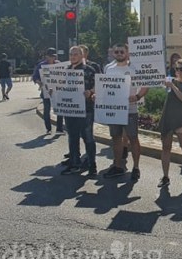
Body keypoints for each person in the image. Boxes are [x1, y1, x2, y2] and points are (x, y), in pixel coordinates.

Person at [102, 43, 148, 181]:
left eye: (122, 51)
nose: (119, 54)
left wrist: (138, 96)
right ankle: (117, 166)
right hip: (114, 110)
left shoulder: (134, 68)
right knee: (116, 138)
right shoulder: (108, 68)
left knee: (133, 139)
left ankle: (136, 167)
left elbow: (145, 86)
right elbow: (104, 86)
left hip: (130, 110)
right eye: (117, 52)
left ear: (127, 53)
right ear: (113, 53)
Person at [61, 46, 99, 177]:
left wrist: (91, 92)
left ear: (82, 55)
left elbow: (98, 86)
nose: (72, 56)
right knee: (72, 137)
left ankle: (92, 165)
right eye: (71, 54)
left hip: (86, 109)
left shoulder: (89, 70)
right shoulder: (65, 70)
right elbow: (61, 88)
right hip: (70, 110)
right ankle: (74, 163)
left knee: (88, 137)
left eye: (76, 54)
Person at [158, 58, 182, 188]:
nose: (178, 71)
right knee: (166, 148)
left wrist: (172, 86)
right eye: (176, 69)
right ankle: (165, 176)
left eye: (181, 69)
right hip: (168, 118)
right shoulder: (170, 81)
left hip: (181, 120)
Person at [32, 48, 64, 134]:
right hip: (46, 91)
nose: (53, 58)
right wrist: (40, 83)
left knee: (59, 109)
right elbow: (35, 77)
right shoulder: (41, 65)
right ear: (47, 56)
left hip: (57, 91)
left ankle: (59, 129)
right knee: (46, 110)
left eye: (54, 56)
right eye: (51, 56)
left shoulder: (58, 64)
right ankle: (48, 128)